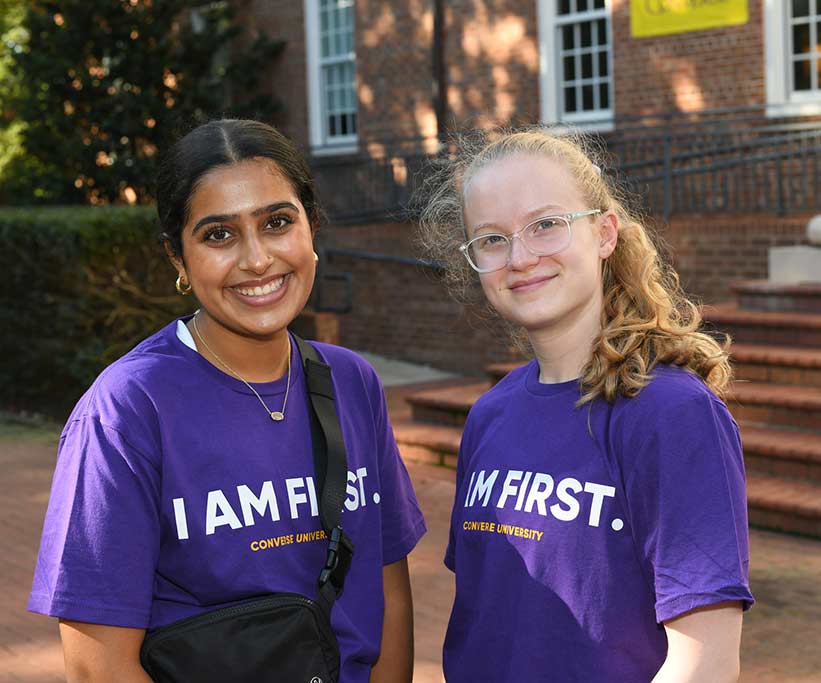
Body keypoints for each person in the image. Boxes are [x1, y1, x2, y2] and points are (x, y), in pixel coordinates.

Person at [29, 119, 425, 683]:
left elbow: (388, 595)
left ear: (312, 227)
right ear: (177, 259)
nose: (258, 259)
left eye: (278, 223)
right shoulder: (128, 408)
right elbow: (99, 666)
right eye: (219, 235)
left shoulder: (352, 382)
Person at [419, 128, 754, 682]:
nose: (520, 257)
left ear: (603, 233)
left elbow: (707, 662)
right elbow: (493, 622)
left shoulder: (671, 413)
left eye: (545, 225)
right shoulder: (488, 416)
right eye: (492, 239)